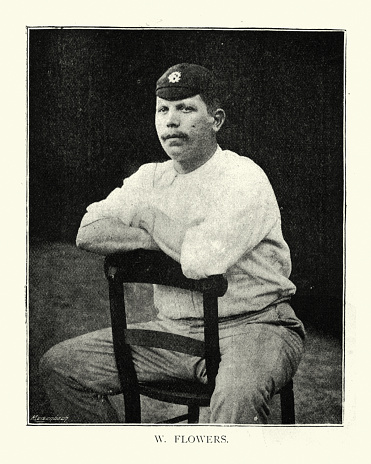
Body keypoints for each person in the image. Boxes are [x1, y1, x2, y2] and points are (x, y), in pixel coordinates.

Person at [40, 63, 305, 424]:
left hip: (255, 328)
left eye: (186, 108)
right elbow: (88, 231)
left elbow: (202, 261)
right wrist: (153, 240)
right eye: (163, 110)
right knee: (61, 368)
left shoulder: (243, 178)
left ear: (217, 120)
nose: (171, 121)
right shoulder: (150, 177)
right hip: (175, 333)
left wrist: (148, 217)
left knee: (233, 402)